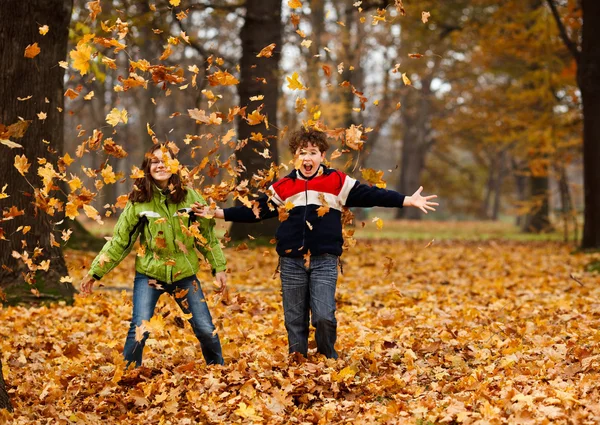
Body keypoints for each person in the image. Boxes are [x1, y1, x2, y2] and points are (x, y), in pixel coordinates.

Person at [192, 127, 438, 359]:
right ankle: (297, 363)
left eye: (312, 153)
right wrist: (215, 213)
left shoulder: (337, 182)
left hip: (324, 259)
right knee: (295, 319)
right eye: (301, 153)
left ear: (322, 155)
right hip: (291, 261)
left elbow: (373, 195)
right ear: (295, 157)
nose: (307, 158)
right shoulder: (283, 186)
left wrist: (407, 200)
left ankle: (327, 359)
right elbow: (254, 211)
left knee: (323, 316)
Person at [79, 143, 227, 367]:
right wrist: (95, 273)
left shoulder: (191, 197)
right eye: (155, 161)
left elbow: (205, 236)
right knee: (139, 329)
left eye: (165, 161)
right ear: (147, 167)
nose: (160, 165)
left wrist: (219, 267)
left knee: (206, 329)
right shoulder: (139, 200)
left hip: (184, 274)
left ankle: (219, 371)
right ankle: (129, 374)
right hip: (149, 274)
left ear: (175, 166)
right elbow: (121, 241)